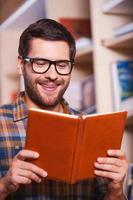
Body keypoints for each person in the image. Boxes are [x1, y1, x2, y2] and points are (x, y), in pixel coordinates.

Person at [0, 18, 128, 200]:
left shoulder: (92, 128)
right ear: (21, 65)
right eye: (41, 63)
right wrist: (5, 185)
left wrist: (115, 190)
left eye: (61, 65)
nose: (52, 75)